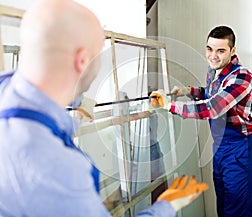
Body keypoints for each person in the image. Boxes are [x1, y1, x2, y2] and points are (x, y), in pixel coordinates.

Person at [0, 0, 208, 216]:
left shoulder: (6, 88)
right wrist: (167, 206)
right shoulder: (56, 168)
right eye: (99, 54)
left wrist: (73, 109)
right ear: (82, 60)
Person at [151, 26, 252, 217]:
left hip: (241, 150)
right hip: (220, 150)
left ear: (232, 51)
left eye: (220, 50)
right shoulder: (214, 71)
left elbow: (213, 107)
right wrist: (188, 91)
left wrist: (170, 105)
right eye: (209, 49)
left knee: (236, 213)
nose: (213, 56)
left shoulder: (242, 77)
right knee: (223, 209)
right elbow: (211, 93)